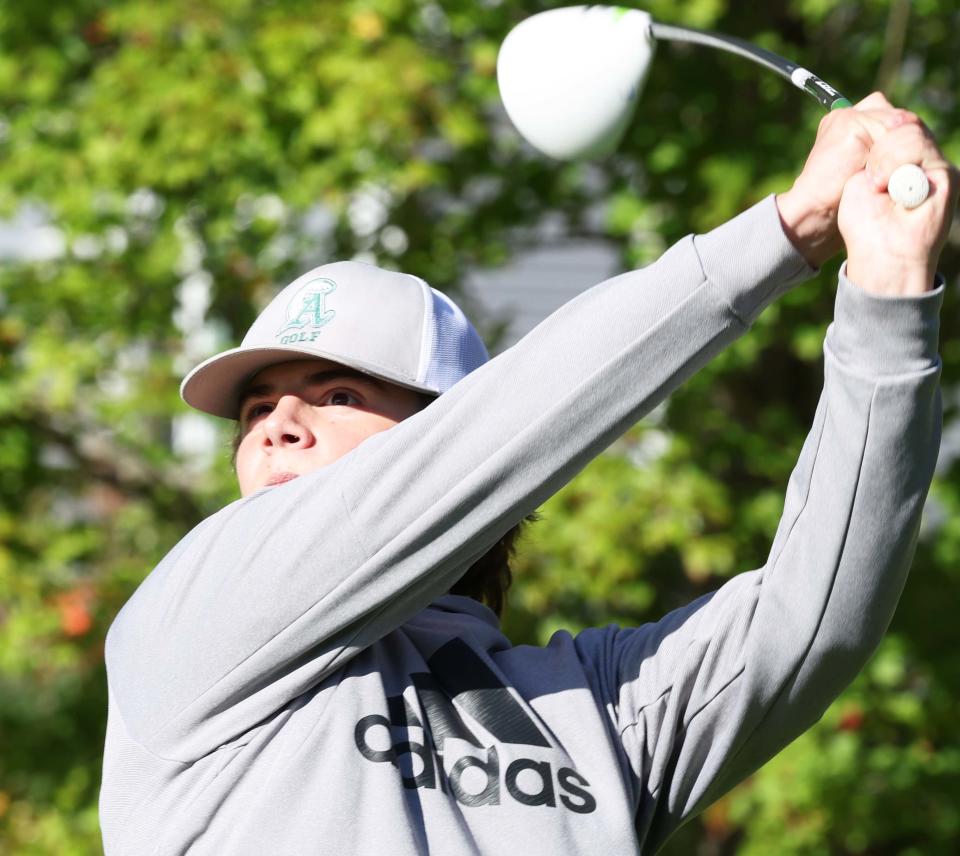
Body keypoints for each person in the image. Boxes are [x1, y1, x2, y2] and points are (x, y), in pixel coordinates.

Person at [99, 94, 957, 855]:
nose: (278, 426)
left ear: (439, 424)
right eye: (255, 409)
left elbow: (817, 614)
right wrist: (781, 230)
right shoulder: (190, 623)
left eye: (335, 392)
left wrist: (887, 300)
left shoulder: (589, 706)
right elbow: (494, 441)